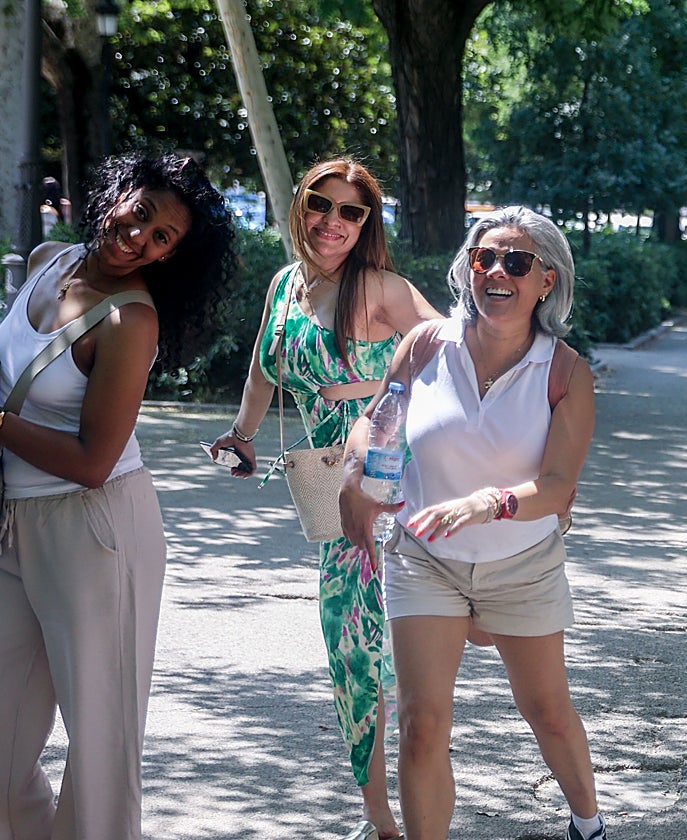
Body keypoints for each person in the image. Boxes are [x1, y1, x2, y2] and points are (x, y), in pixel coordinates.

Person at [0, 152, 239, 838]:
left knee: (99, 743)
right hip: (6, 524)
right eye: (139, 214)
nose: (139, 239)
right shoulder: (48, 260)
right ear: (115, 194)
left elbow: (93, 462)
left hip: (96, 531)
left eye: (162, 239)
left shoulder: (130, 321)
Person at [338, 207, 607, 840]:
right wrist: (356, 473)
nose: (497, 273)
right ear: (469, 269)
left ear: (547, 280)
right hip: (424, 558)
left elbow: (559, 488)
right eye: (485, 258)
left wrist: (488, 503)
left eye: (516, 262)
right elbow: (380, 418)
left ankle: (588, 823)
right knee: (421, 722)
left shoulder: (564, 371)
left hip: (522, 565)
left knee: (547, 711)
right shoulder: (428, 345)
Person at [211, 157, 440, 840]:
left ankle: (418, 809)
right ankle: (381, 819)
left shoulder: (379, 287)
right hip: (332, 502)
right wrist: (242, 435)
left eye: (351, 211)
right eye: (321, 204)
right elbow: (261, 367)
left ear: (367, 223)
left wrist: (382, 400)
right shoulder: (287, 284)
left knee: (391, 654)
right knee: (348, 654)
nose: (332, 222)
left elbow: (451, 347)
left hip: (389, 489)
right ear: (299, 204)